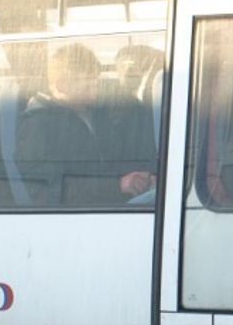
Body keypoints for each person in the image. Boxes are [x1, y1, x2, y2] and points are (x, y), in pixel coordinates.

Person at [16, 43, 157, 206]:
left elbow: (113, 159)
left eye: (96, 79)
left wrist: (143, 177)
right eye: (88, 80)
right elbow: (53, 188)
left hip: (111, 204)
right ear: (63, 85)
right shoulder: (37, 127)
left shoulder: (97, 115)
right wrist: (117, 186)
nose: (96, 85)